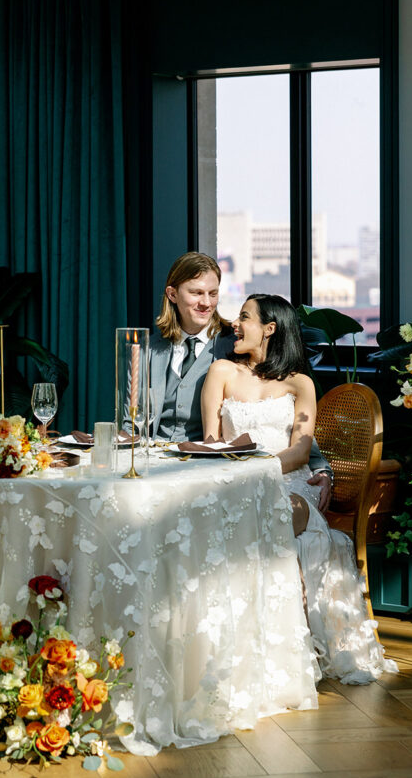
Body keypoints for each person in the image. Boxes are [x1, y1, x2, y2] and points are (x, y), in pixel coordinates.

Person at [201, 293, 396, 684]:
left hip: (290, 484)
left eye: (244, 317)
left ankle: (282, 646)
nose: (235, 325)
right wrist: (236, 475)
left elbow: (301, 449)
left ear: (270, 328)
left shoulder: (300, 383)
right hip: (231, 482)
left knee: (276, 514)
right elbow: (210, 440)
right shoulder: (221, 371)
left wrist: (260, 469)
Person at [150, 252, 333, 511]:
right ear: (173, 295)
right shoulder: (147, 350)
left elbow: (297, 429)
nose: (207, 303)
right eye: (197, 293)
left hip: (233, 473)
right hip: (168, 466)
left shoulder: (233, 344)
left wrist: (323, 469)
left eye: (213, 294)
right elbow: (132, 424)